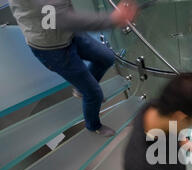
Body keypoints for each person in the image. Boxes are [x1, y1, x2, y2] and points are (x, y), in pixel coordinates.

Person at [8, 0, 139, 137]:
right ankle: (93, 125)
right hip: (52, 50)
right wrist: (112, 19)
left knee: (106, 57)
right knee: (94, 94)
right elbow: (59, 17)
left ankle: (81, 90)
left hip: (68, 33)